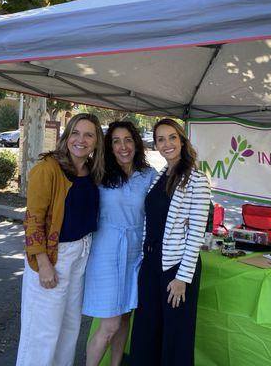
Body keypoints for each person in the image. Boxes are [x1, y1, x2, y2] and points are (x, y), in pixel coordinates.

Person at [16, 113, 104, 366]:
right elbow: (33, 219)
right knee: (42, 331)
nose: (81, 140)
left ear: (97, 141)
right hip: (53, 255)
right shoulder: (48, 168)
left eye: (89, 134)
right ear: (67, 136)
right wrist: (43, 263)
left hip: (81, 252)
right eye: (76, 133)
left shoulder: (91, 171)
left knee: (69, 327)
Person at [130, 118, 211, 366]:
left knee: (175, 336)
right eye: (161, 139)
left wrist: (182, 277)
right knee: (146, 330)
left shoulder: (197, 179)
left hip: (176, 269)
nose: (167, 144)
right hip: (151, 263)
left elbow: (196, 233)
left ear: (182, 140)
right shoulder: (161, 175)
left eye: (172, 137)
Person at [83, 121, 157, 366]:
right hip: (106, 250)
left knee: (126, 317)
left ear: (136, 143)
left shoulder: (148, 176)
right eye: (116, 141)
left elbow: (160, 210)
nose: (123, 146)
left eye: (128, 140)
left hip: (136, 252)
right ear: (109, 146)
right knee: (110, 323)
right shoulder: (99, 173)